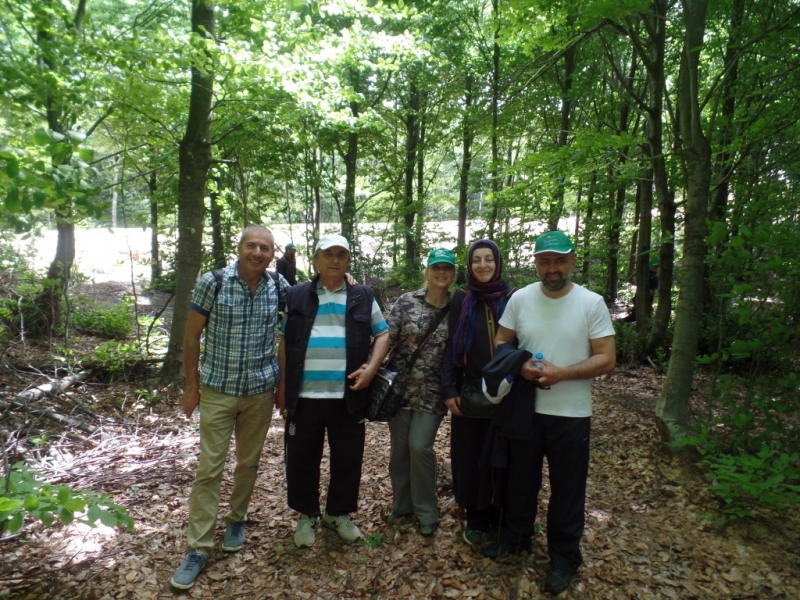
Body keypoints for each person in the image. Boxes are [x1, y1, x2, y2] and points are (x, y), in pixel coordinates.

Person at [482, 230, 616, 596]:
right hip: (525, 407)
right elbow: (501, 342)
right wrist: (521, 364)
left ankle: (563, 556)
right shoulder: (520, 299)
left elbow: (607, 357)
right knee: (520, 480)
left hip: (572, 412)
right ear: (536, 263)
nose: (552, 268)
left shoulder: (591, 303)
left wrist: (563, 373)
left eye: (560, 260)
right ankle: (516, 538)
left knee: (568, 489)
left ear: (572, 260)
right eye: (545, 261)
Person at [171, 225, 290, 590]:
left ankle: (237, 518)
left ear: (273, 254)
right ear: (239, 248)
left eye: (265, 248)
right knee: (210, 468)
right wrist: (191, 387)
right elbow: (191, 335)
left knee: (248, 462)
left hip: (259, 392)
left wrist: (282, 388)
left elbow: (293, 325)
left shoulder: (279, 288)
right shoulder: (215, 282)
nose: (258, 252)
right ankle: (198, 548)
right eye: (252, 245)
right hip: (218, 391)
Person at [276, 234, 390, 549]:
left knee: (348, 458)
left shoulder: (363, 295)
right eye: (328, 254)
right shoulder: (296, 295)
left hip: (348, 396)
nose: (335, 260)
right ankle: (306, 515)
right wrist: (283, 385)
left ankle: (338, 513)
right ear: (315, 259)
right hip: (305, 396)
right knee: (302, 458)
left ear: (348, 261)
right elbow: (285, 342)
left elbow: (382, 335)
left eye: (341, 254)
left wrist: (371, 368)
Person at [441, 239, 512, 546]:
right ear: (468, 266)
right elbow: (450, 345)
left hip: (509, 394)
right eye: (476, 260)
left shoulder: (512, 298)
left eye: (489, 259)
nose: (483, 265)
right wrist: (448, 387)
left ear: (498, 262)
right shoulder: (462, 299)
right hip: (469, 392)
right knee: (470, 458)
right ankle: (475, 516)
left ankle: (503, 516)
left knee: (504, 457)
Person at [384, 248, 456, 536]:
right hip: (400, 390)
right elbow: (386, 338)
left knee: (420, 447)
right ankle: (402, 506)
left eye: (447, 268)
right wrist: (368, 368)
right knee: (400, 451)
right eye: (436, 267)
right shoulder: (406, 302)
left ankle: (427, 512)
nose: (441, 272)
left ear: (453, 274)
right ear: (426, 272)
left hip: (433, 393)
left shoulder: (458, 306)